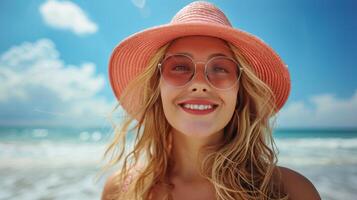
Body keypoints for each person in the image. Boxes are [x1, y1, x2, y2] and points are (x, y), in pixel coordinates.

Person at [101, 1, 321, 199]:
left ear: (240, 91)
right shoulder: (120, 190)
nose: (200, 83)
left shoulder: (292, 191)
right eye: (179, 66)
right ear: (157, 87)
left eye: (220, 68)